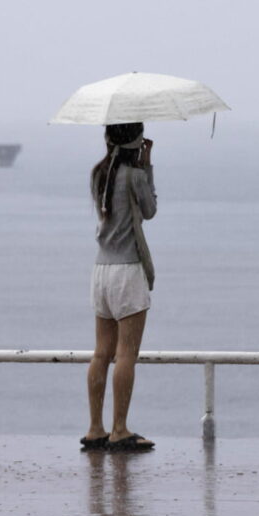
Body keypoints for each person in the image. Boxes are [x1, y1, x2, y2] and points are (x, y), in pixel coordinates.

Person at [81, 122, 157, 452]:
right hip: (127, 271)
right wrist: (147, 165)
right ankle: (120, 428)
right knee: (126, 354)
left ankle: (96, 428)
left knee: (102, 353)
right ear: (137, 140)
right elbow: (150, 211)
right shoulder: (135, 175)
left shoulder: (99, 173)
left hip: (101, 270)